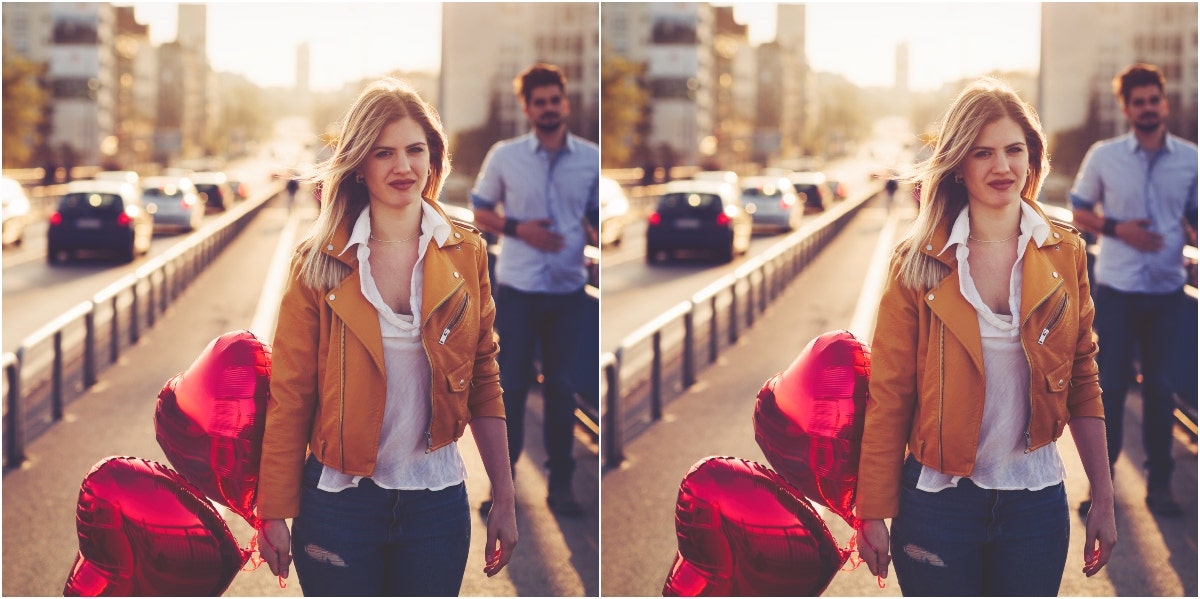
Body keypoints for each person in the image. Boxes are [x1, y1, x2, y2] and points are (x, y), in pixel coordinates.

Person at [256, 77, 518, 595]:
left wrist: (505, 499)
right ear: (359, 165)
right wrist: (274, 510)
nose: (403, 167)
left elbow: (484, 376)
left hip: (436, 504)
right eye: (384, 153)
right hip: (338, 505)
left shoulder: (466, 252)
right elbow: (290, 394)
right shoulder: (317, 263)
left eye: (415, 150)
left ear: (433, 157)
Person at [856, 78, 1117, 595]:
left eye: (1014, 150)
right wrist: (872, 510)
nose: (1002, 167)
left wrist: (1104, 499)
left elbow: (1083, 377)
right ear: (958, 164)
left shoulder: (1065, 253)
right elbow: (889, 394)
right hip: (937, 505)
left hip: (1035, 504)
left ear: (1032, 157)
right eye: (983, 153)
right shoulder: (916, 263)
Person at [470, 63, 599, 518]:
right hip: (519, 289)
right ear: (527, 108)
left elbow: (596, 216)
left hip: (567, 291)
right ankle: (502, 491)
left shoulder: (590, 158)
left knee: (563, 390)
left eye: (554, 100)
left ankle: (561, 486)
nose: (547, 108)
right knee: (511, 390)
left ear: (565, 103)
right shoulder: (505, 156)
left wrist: (596, 233)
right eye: (538, 102)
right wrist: (519, 229)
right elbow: (480, 210)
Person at [1069, 63, 1198, 518]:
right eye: (1137, 101)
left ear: (1164, 103)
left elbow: (1195, 216)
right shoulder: (1104, 156)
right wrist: (1120, 229)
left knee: (1161, 390)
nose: (1147, 108)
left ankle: (1160, 487)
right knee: (1110, 390)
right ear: (1126, 108)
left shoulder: (1190, 158)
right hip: (1118, 288)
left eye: (1153, 100)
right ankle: (1101, 491)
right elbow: (1079, 210)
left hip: (1166, 290)